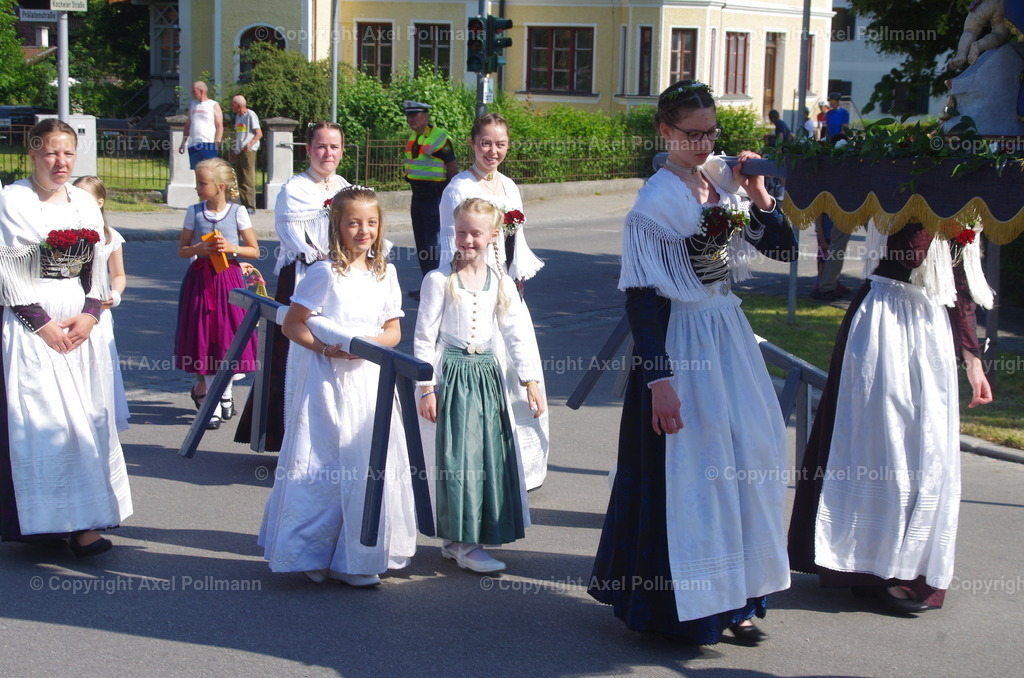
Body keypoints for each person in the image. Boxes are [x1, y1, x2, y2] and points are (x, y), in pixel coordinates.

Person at [587, 81, 797, 646]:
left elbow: (783, 249)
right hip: (682, 341)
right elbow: (642, 299)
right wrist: (659, 381)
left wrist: (759, 194)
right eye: (691, 133)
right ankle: (691, 605)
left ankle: (743, 595)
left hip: (726, 329)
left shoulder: (724, 179)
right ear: (665, 131)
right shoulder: (654, 204)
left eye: (710, 132)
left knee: (751, 452)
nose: (703, 143)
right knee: (693, 470)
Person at [789, 219, 993, 615]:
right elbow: (910, 252)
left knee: (926, 449)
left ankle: (902, 566)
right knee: (882, 446)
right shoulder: (906, 190)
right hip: (886, 317)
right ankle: (872, 570)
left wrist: (972, 359)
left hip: (929, 322)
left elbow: (960, 284)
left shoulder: (968, 203)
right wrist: (939, 216)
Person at [259, 186, 416, 587]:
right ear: (338, 226)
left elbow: (394, 331)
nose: (363, 231)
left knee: (367, 462)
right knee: (326, 464)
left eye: (371, 223)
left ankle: (357, 557)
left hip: (369, 378)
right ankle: (313, 550)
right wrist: (328, 349)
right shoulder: (324, 273)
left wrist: (364, 348)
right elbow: (293, 324)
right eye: (354, 223)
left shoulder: (387, 273)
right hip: (329, 380)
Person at [0, 119, 132, 558]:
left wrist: (91, 314)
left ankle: (85, 523)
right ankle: (45, 521)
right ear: (33, 155)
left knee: (86, 423)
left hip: (79, 322)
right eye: (52, 153)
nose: (61, 162)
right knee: (42, 425)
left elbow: (98, 264)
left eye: (68, 154)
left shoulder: (83, 202)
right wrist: (42, 324)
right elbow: (9, 269)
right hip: (32, 327)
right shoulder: (13, 200)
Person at [414, 197, 545, 574]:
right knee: (457, 458)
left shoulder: (500, 283)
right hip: (452, 374)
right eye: (461, 232)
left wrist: (530, 380)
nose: (467, 240)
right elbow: (423, 338)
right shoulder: (439, 280)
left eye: (475, 233)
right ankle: (460, 540)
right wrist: (426, 386)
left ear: (491, 236)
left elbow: (516, 333)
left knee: (486, 454)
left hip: (486, 376)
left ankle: (469, 535)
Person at [436, 113, 549, 490]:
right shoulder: (457, 188)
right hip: (473, 291)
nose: (493, 151)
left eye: (500, 143)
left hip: (506, 289)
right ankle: (478, 460)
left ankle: (518, 463)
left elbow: (515, 240)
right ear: (472, 143)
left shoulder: (509, 187)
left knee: (516, 365)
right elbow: (451, 241)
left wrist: (516, 279)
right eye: (486, 143)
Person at [234, 121, 350, 451]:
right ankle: (289, 441)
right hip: (303, 276)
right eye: (321, 146)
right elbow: (291, 237)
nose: (328, 153)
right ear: (308, 149)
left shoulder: (346, 187)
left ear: (342, 151)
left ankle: (332, 442)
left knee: (335, 352)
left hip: (340, 281)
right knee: (296, 354)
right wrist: (324, 258)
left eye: (334, 147)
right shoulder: (294, 189)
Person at [173, 158, 260, 430]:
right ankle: (211, 400)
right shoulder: (194, 212)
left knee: (228, 338)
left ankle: (224, 392)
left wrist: (231, 247)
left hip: (228, 279)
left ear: (220, 187)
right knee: (205, 338)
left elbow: (254, 250)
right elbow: (182, 249)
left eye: (202, 183)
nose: (197, 187)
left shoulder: (237, 212)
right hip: (201, 280)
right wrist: (199, 248)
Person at [73, 175, 130, 431]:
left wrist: (115, 295)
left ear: (99, 202)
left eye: (85, 198)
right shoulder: (63, 234)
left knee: (100, 366)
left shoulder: (110, 237)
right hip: (71, 309)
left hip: (100, 312)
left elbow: (118, 275)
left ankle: (101, 419)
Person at [403, 100, 458, 289]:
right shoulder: (413, 137)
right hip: (418, 197)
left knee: (434, 246)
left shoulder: (439, 137)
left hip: (435, 197)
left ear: (425, 116)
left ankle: (439, 286)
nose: (410, 119)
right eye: (408, 115)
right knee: (422, 245)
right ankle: (427, 285)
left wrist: (451, 197)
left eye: (414, 115)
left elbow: (452, 167)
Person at [178, 81, 224, 169]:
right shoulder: (192, 104)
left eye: (194, 91)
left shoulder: (213, 105)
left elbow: (219, 126)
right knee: (197, 171)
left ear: (201, 91)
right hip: (193, 143)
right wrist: (183, 143)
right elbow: (188, 125)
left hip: (208, 143)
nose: (192, 93)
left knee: (210, 171)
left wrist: (217, 143)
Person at [228, 95, 262, 215]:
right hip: (240, 150)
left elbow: (259, 133)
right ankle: (242, 204)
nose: (231, 107)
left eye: (232, 104)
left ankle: (250, 206)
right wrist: (234, 151)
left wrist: (250, 144)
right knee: (240, 178)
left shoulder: (250, 115)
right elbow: (238, 136)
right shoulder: (238, 117)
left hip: (249, 150)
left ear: (238, 105)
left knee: (248, 178)